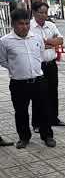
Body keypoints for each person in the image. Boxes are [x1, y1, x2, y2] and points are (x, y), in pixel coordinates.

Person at [0, 8, 56, 148]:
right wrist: (17, 69)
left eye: (27, 23)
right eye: (21, 24)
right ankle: (24, 137)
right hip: (19, 83)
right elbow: (3, 60)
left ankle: (47, 135)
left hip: (38, 80)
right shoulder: (5, 41)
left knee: (44, 109)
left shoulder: (36, 37)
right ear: (13, 24)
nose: (24, 27)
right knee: (21, 112)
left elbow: (41, 54)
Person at [30, 1, 65, 133]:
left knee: (53, 92)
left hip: (51, 65)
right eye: (41, 12)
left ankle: (53, 118)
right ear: (34, 13)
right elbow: (32, 45)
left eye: (46, 12)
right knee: (38, 94)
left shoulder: (51, 25)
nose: (44, 15)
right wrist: (51, 43)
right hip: (37, 66)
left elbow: (61, 40)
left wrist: (47, 42)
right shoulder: (29, 26)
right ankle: (37, 123)